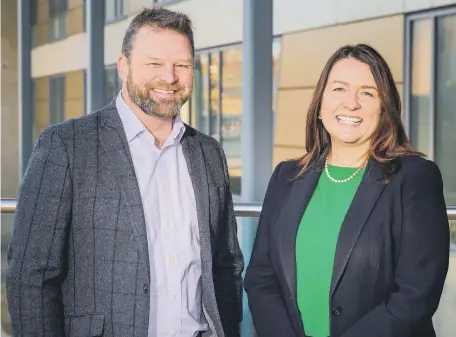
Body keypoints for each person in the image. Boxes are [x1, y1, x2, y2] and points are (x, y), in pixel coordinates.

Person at [6, 7, 243, 337]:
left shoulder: (208, 153)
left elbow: (226, 264)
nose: (170, 77)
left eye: (182, 65)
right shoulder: (68, 145)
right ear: (123, 66)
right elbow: (31, 275)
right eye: (154, 64)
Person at [244, 44, 450, 337]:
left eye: (367, 92)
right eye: (339, 89)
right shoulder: (287, 176)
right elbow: (261, 278)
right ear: (320, 103)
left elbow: (415, 295)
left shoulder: (415, 178)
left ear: (383, 109)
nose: (351, 103)